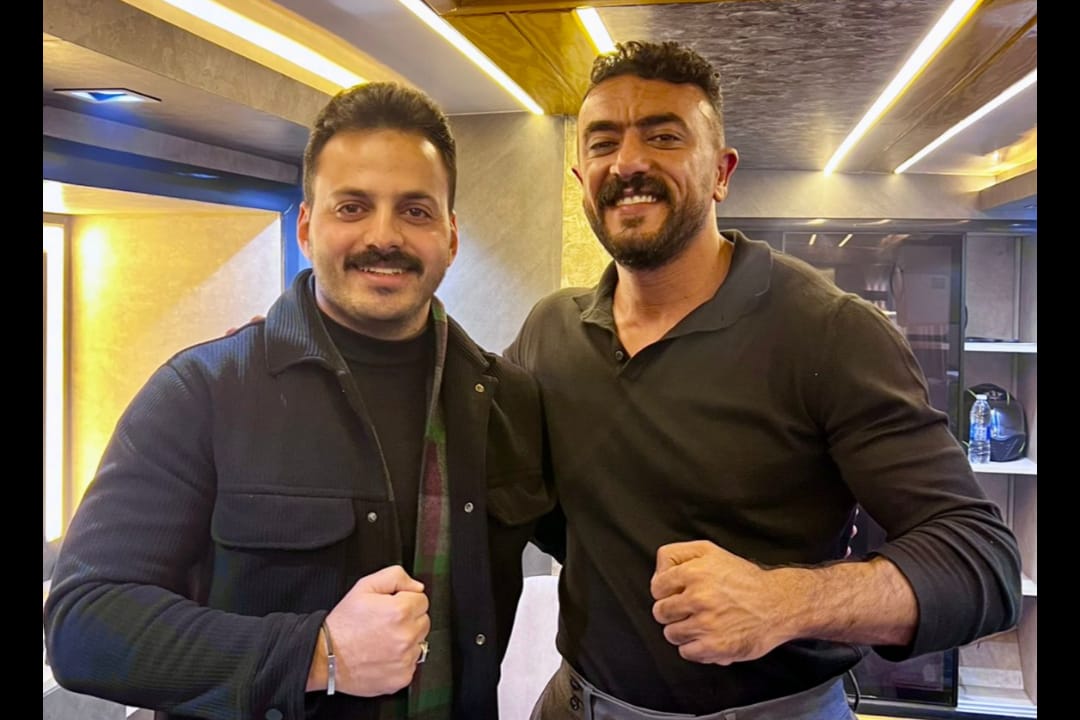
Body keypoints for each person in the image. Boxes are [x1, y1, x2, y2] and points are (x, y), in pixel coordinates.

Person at [504, 41, 1022, 719]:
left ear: (721, 173)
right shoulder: (551, 331)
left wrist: (784, 602)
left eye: (663, 136)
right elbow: (512, 498)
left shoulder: (829, 331)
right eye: (603, 142)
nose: (628, 162)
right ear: (582, 178)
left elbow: (982, 563)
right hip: (575, 704)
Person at [43, 82, 553, 720]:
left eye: (416, 211)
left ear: (450, 236)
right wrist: (315, 654)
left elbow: (603, 541)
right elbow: (84, 622)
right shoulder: (202, 391)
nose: (384, 235)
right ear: (308, 227)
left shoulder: (509, 402)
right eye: (353, 207)